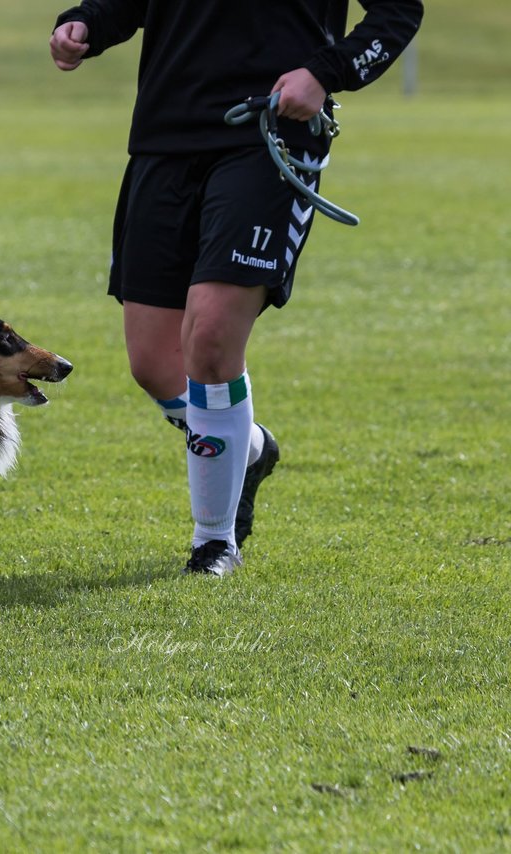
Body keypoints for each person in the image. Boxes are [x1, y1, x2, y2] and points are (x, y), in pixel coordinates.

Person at [49, 1, 423, 576]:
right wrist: (87, 24)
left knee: (213, 335)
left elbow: (399, 9)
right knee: (153, 361)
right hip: (166, 135)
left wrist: (325, 72)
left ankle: (215, 542)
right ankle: (246, 447)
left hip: (271, 130)